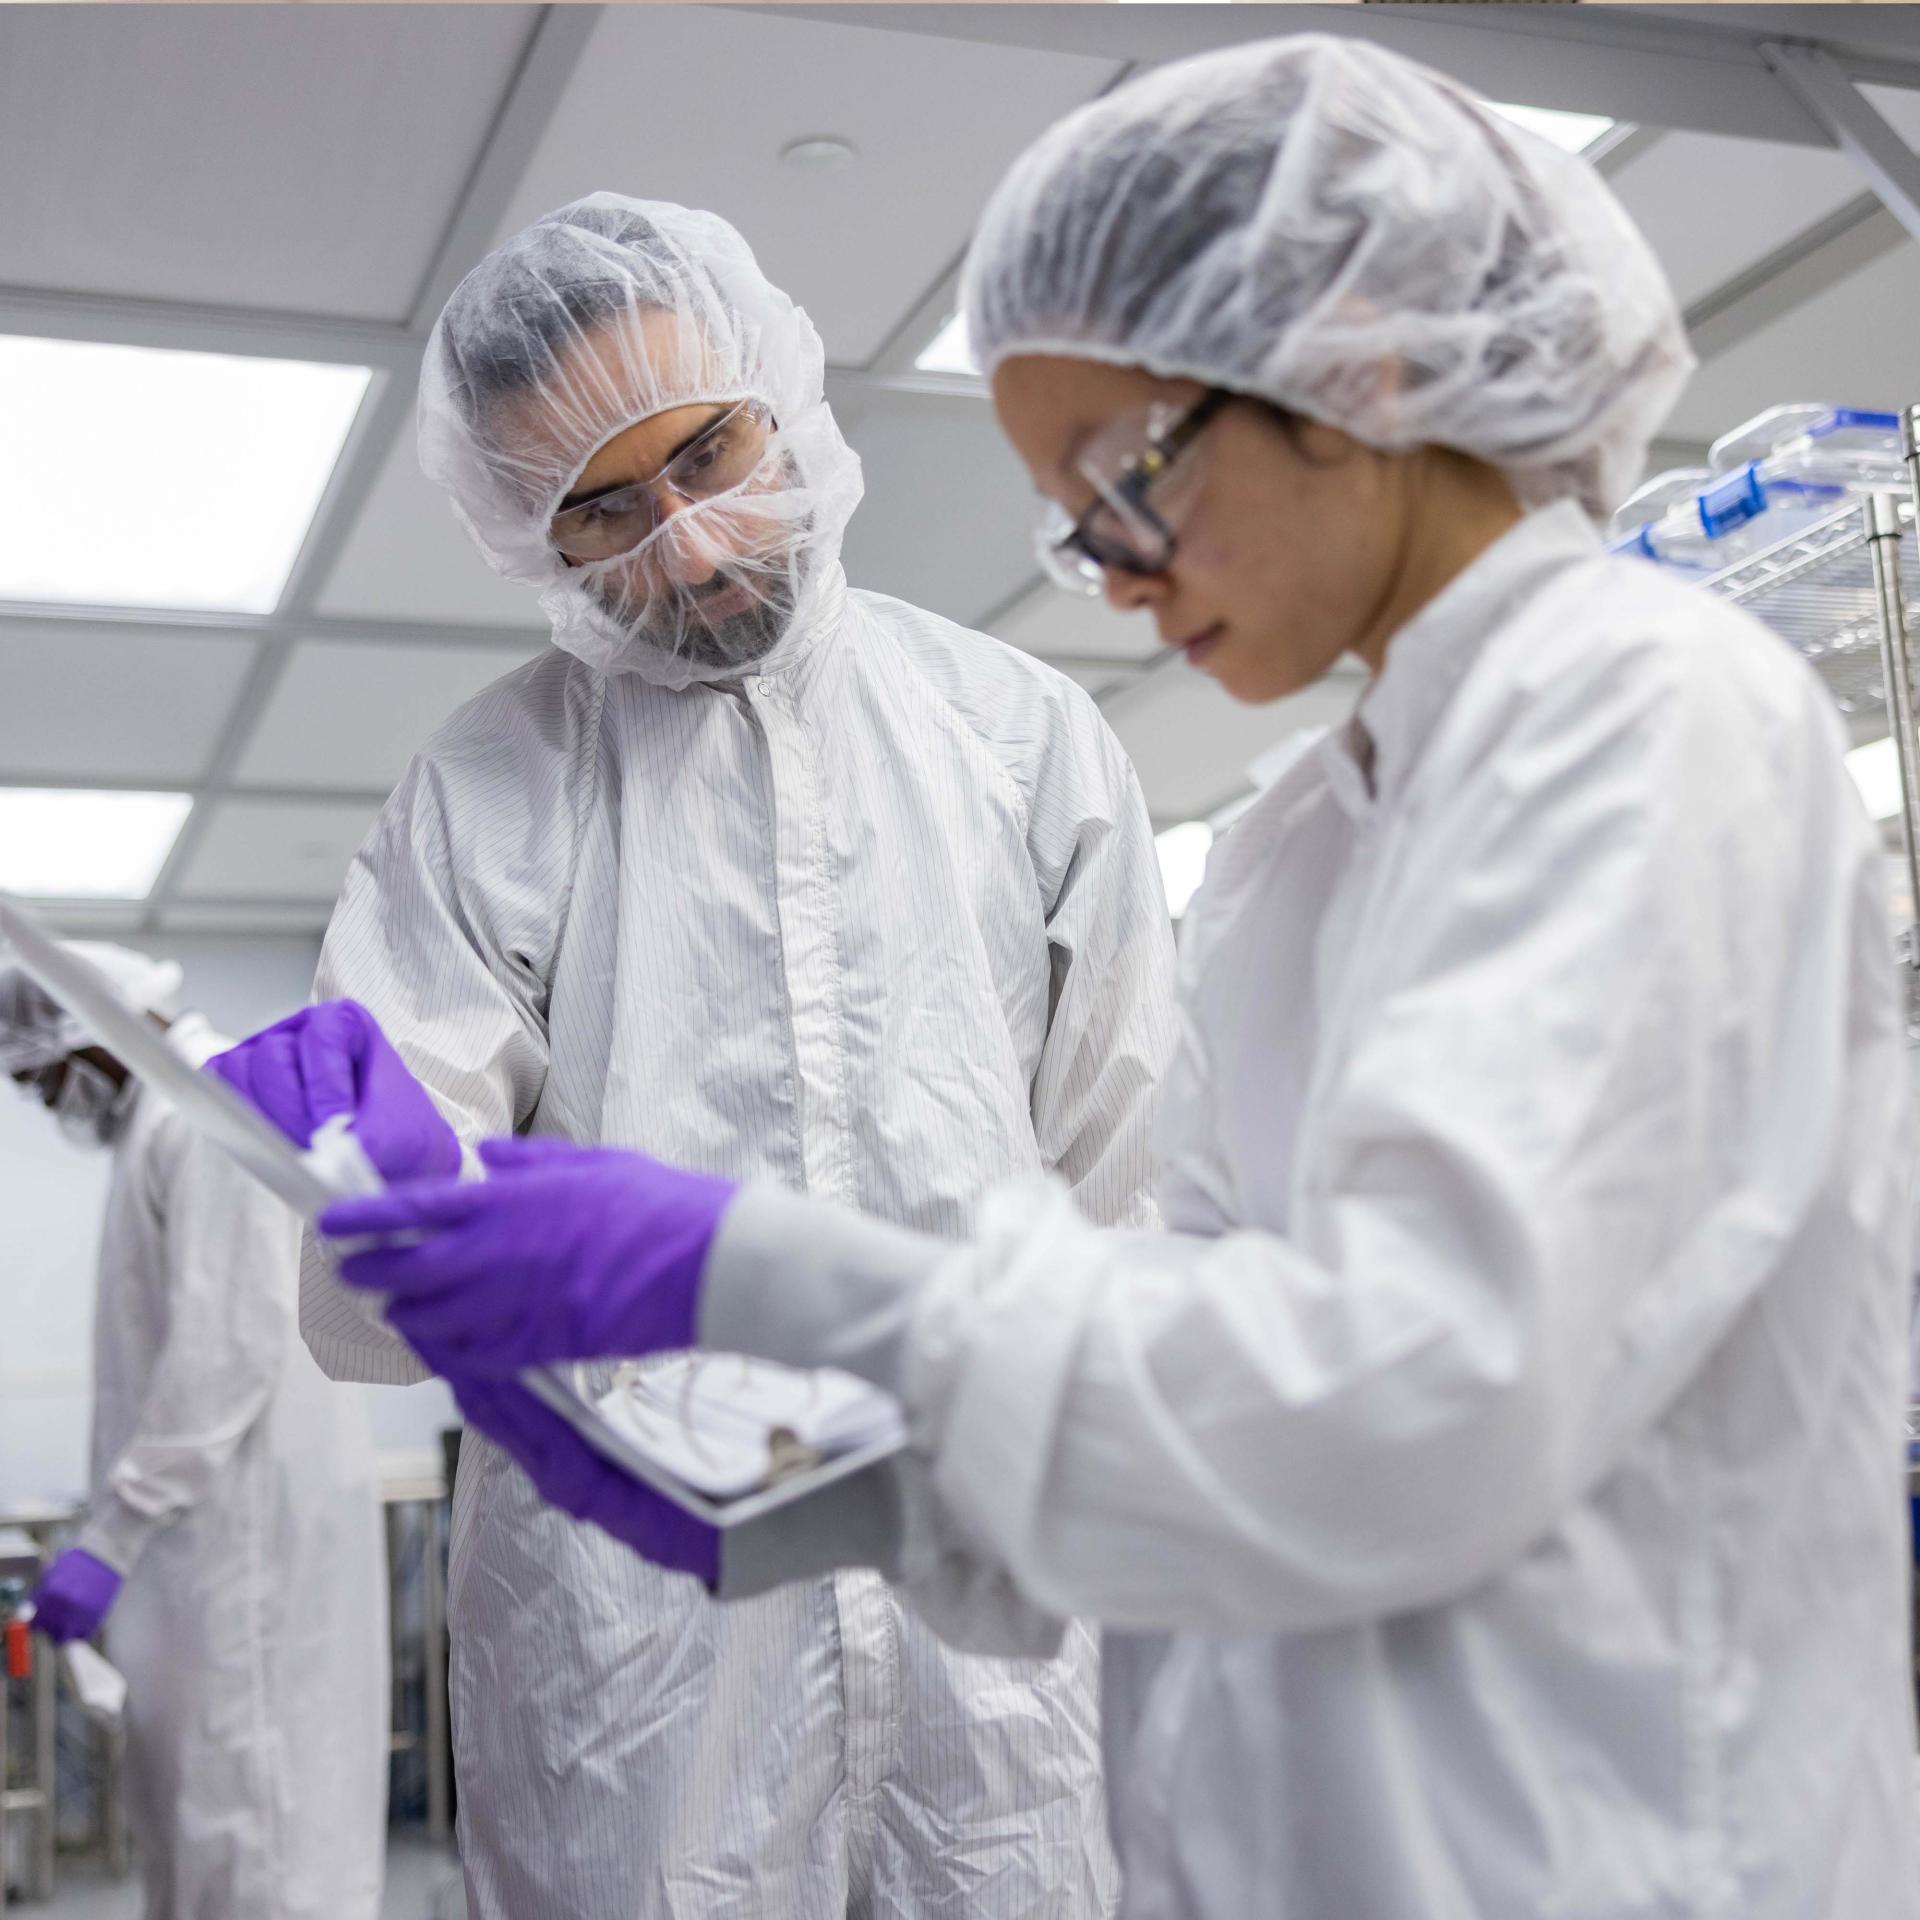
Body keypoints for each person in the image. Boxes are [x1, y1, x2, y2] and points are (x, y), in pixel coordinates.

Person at [296, 36, 1920, 1918]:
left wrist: (752, 1272)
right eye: (1077, 512)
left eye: (1125, 473)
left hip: (1606, 1840)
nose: (1114, 569)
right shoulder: (1314, 835)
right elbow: (1200, 1315)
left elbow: (1417, 1389)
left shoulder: (1646, 726)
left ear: (1359, 364)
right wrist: (855, 1492)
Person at [207, 195, 1172, 1918]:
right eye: (607, 507)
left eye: (711, 455)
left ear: (784, 401)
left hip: (986, 1606)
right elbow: (380, 1268)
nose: (691, 548)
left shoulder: (1019, 740)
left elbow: (1121, 1179)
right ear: (530, 532)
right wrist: (371, 1189)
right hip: (641, 1643)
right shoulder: (486, 793)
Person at [1, 946, 387, 1920]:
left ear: (87, 1034)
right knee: (207, 1822)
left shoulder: (207, 1113)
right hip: (209, 1557)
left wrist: (112, 1539)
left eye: (42, 1079)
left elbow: (222, 1359)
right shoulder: (162, 1126)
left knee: (253, 1833)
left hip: (243, 1555)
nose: (53, 1105)